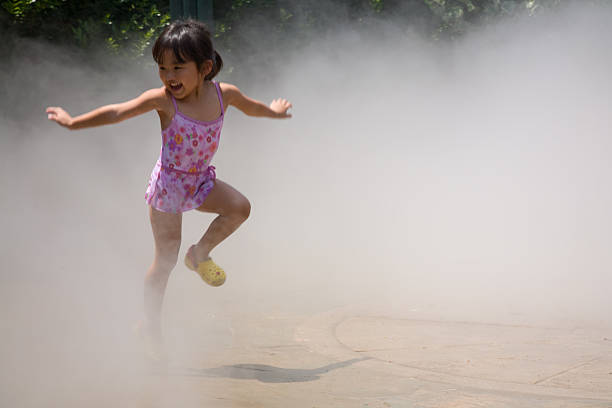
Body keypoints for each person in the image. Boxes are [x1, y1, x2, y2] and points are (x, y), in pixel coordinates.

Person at [46, 19, 292, 361]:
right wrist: (74, 122)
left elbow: (252, 106)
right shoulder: (164, 101)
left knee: (240, 207)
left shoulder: (225, 94)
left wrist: (274, 112)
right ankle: (149, 324)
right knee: (165, 260)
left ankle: (200, 253)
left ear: (205, 68)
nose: (168, 76)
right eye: (162, 67)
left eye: (177, 67)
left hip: (200, 179)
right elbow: (118, 111)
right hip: (169, 187)